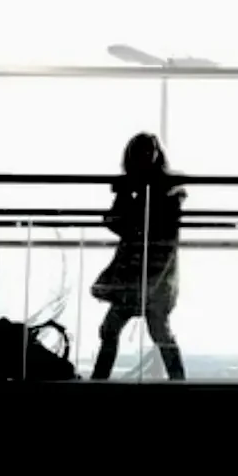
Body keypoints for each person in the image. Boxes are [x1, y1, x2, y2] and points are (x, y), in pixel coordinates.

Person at [90, 133, 186, 381]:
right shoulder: (157, 191)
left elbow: (131, 226)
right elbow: (119, 223)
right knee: (148, 329)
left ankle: (99, 381)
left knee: (151, 329)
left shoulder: (163, 193)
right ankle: (179, 381)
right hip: (142, 270)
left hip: (150, 268)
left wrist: (126, 196)